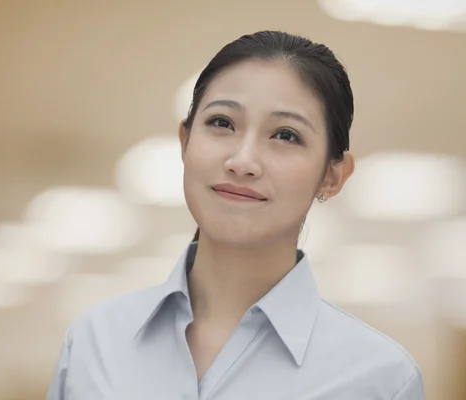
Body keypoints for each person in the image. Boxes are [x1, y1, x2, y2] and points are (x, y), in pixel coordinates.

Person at [46, 30, 425, 399]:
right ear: (185, 141)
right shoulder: (93, 342)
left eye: (286, 135)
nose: (243, 161)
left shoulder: (380, 381)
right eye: (222, 123)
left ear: (332, 176)